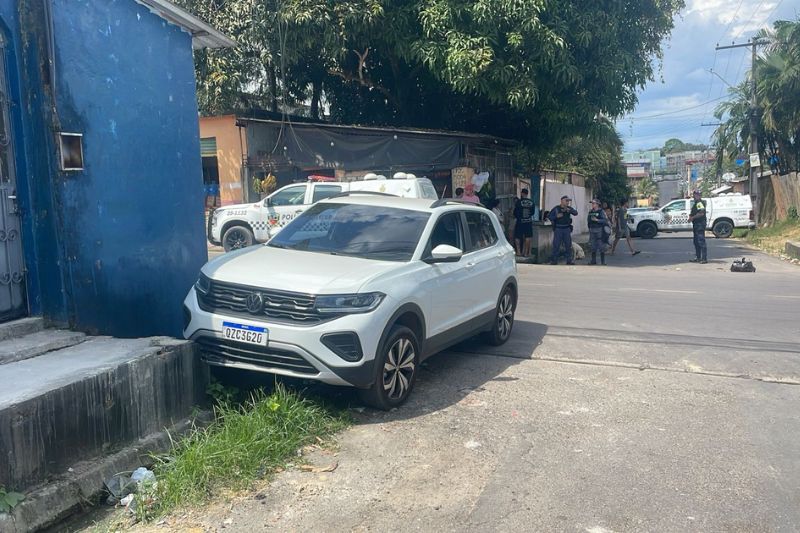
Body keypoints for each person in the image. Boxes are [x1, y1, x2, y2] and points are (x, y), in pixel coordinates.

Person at [548, 195, 578, 265]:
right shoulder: (556, 208)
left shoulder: (568, 208)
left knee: (568, 245)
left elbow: (575, 213)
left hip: (566, 229)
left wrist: (569, 210)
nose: (567, 202)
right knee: (556, 245)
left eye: (568, 201)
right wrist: (556, 216)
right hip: (558, 229)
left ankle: (569, 260)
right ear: (562, 201)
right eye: (566, 201)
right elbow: (550, 216)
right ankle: (554, 260)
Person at [513, 189, 535, 257]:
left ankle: (518, 252)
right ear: (527, 194)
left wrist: (518, 217)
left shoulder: (519, 202)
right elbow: (532, 212)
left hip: (520, 222)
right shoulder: (532, 202)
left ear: (522, 193)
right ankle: (526, 253)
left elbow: (515, 212)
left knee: (517, 236)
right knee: (528, 237)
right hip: (528, 222)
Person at [688, 190, 708, 263]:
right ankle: (698, 257)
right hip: (696, 224)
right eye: (694, 195)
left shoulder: (699, 203)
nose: (694, 196)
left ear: (699, 195)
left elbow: (701, 213)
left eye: (695, 195)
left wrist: (692, 217)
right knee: (696, 242)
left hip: (700, 224)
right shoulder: (696, 203)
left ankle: (704, 258)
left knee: (701, 241)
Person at [587, 199, 608, 265]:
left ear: (597, 204)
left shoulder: (601, 211)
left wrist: (597, 220)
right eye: (592, 203)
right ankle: (593, 261)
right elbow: (588, 220)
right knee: (593, 245)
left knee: (601, 245)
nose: (592, 204)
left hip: (599, 230)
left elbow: (605, 220)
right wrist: (589, 227)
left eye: (594, 203)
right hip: (592, 230)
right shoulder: (590, 211)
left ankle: (603, 261)